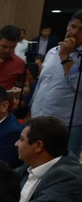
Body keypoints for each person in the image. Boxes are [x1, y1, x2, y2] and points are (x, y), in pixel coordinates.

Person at [13, 116, 82, 202]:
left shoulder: (67, 177)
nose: (16, 144)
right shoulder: (32, 164)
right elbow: (0, 178)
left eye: (21, 139)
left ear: (38, 146)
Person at [30, 10, 82, 155]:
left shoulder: (64, 53)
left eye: (81, 30)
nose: (74, 32)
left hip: (67, 125)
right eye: (73, 26)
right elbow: (42, 83)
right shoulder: (53, 51)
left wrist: (65, 57)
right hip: (39, 119)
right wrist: (31, 109)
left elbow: (80, 85)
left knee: (62, 169)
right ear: (67, 25)